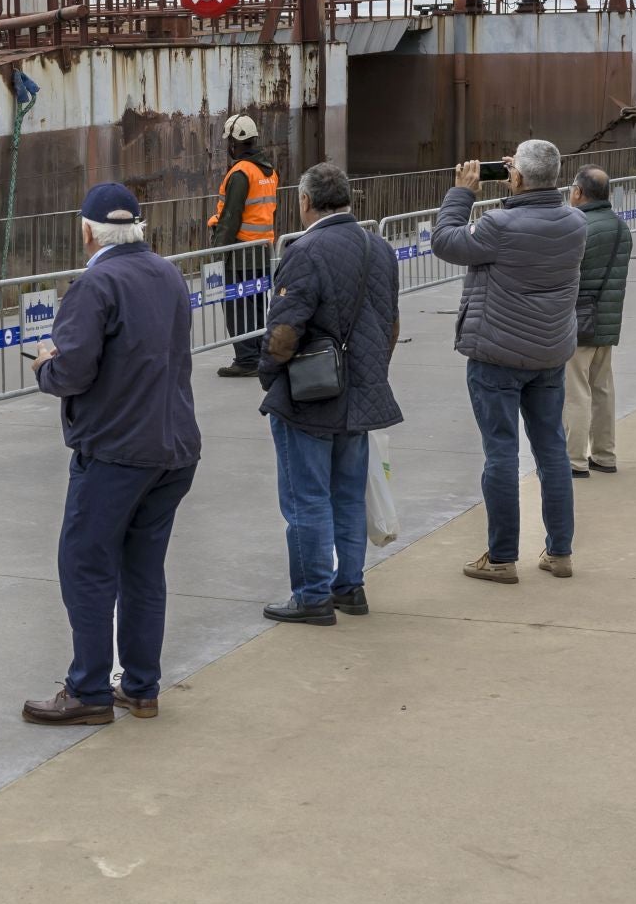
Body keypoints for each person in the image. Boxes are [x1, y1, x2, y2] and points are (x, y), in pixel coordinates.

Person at [24, 183, 201, 725]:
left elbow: (74, 371)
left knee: (86, 564)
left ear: (86, 231)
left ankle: (89, 690)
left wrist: (44, 366)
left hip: (117, 449)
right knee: (143, 569)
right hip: (172, 447)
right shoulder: (169, 274)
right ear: (139, 228)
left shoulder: (94, 285)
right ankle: (141, 687)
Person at [431, 141, 587, 583]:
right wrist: (519, 186)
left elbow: (445, 241)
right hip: (550, 354)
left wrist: (463, 192)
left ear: (515, 177)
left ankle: (501, 557)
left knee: (500, 453)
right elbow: (528, 224)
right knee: (552, 451)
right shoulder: (575, 222)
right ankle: (559, 552)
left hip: (496, 354)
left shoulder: (498, 224)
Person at [257, 162, 402, 625]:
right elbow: (390, 324)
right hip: (360, 392)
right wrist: (372, 372)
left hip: (310, 393)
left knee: (306, 498)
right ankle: (350, 587)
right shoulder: (378, 247)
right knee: (347, 494)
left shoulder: (305, 251)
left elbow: (283, 330)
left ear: (304, 202)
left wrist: (267, 374)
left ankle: (312, 595)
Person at [565, 168, 632, 478]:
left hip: (578, 320)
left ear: (579, 192)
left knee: (575, 391)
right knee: (602, 388)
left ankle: (574, 460)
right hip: (607, 319)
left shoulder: (579, 227)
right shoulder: (620, 227)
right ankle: (604, 455)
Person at [208, 113, 280, 378]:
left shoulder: (240, 173)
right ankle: (259, 352)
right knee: (256, 302)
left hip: (240, 252)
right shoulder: (268, 171)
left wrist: (218, 252)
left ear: (235, 144)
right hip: (262, 249)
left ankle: (246, 358)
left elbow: (230, 217)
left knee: (237, 305)